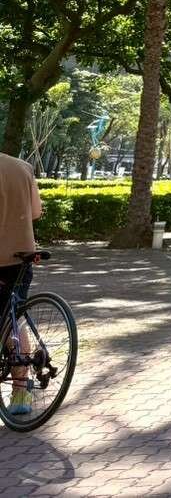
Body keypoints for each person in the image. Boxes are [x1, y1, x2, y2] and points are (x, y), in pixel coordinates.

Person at [0, 152, 42, 417]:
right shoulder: (22, 167)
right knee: (14, 319)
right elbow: (36, 212)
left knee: (8, 319)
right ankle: (20, 392)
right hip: (22, 257)